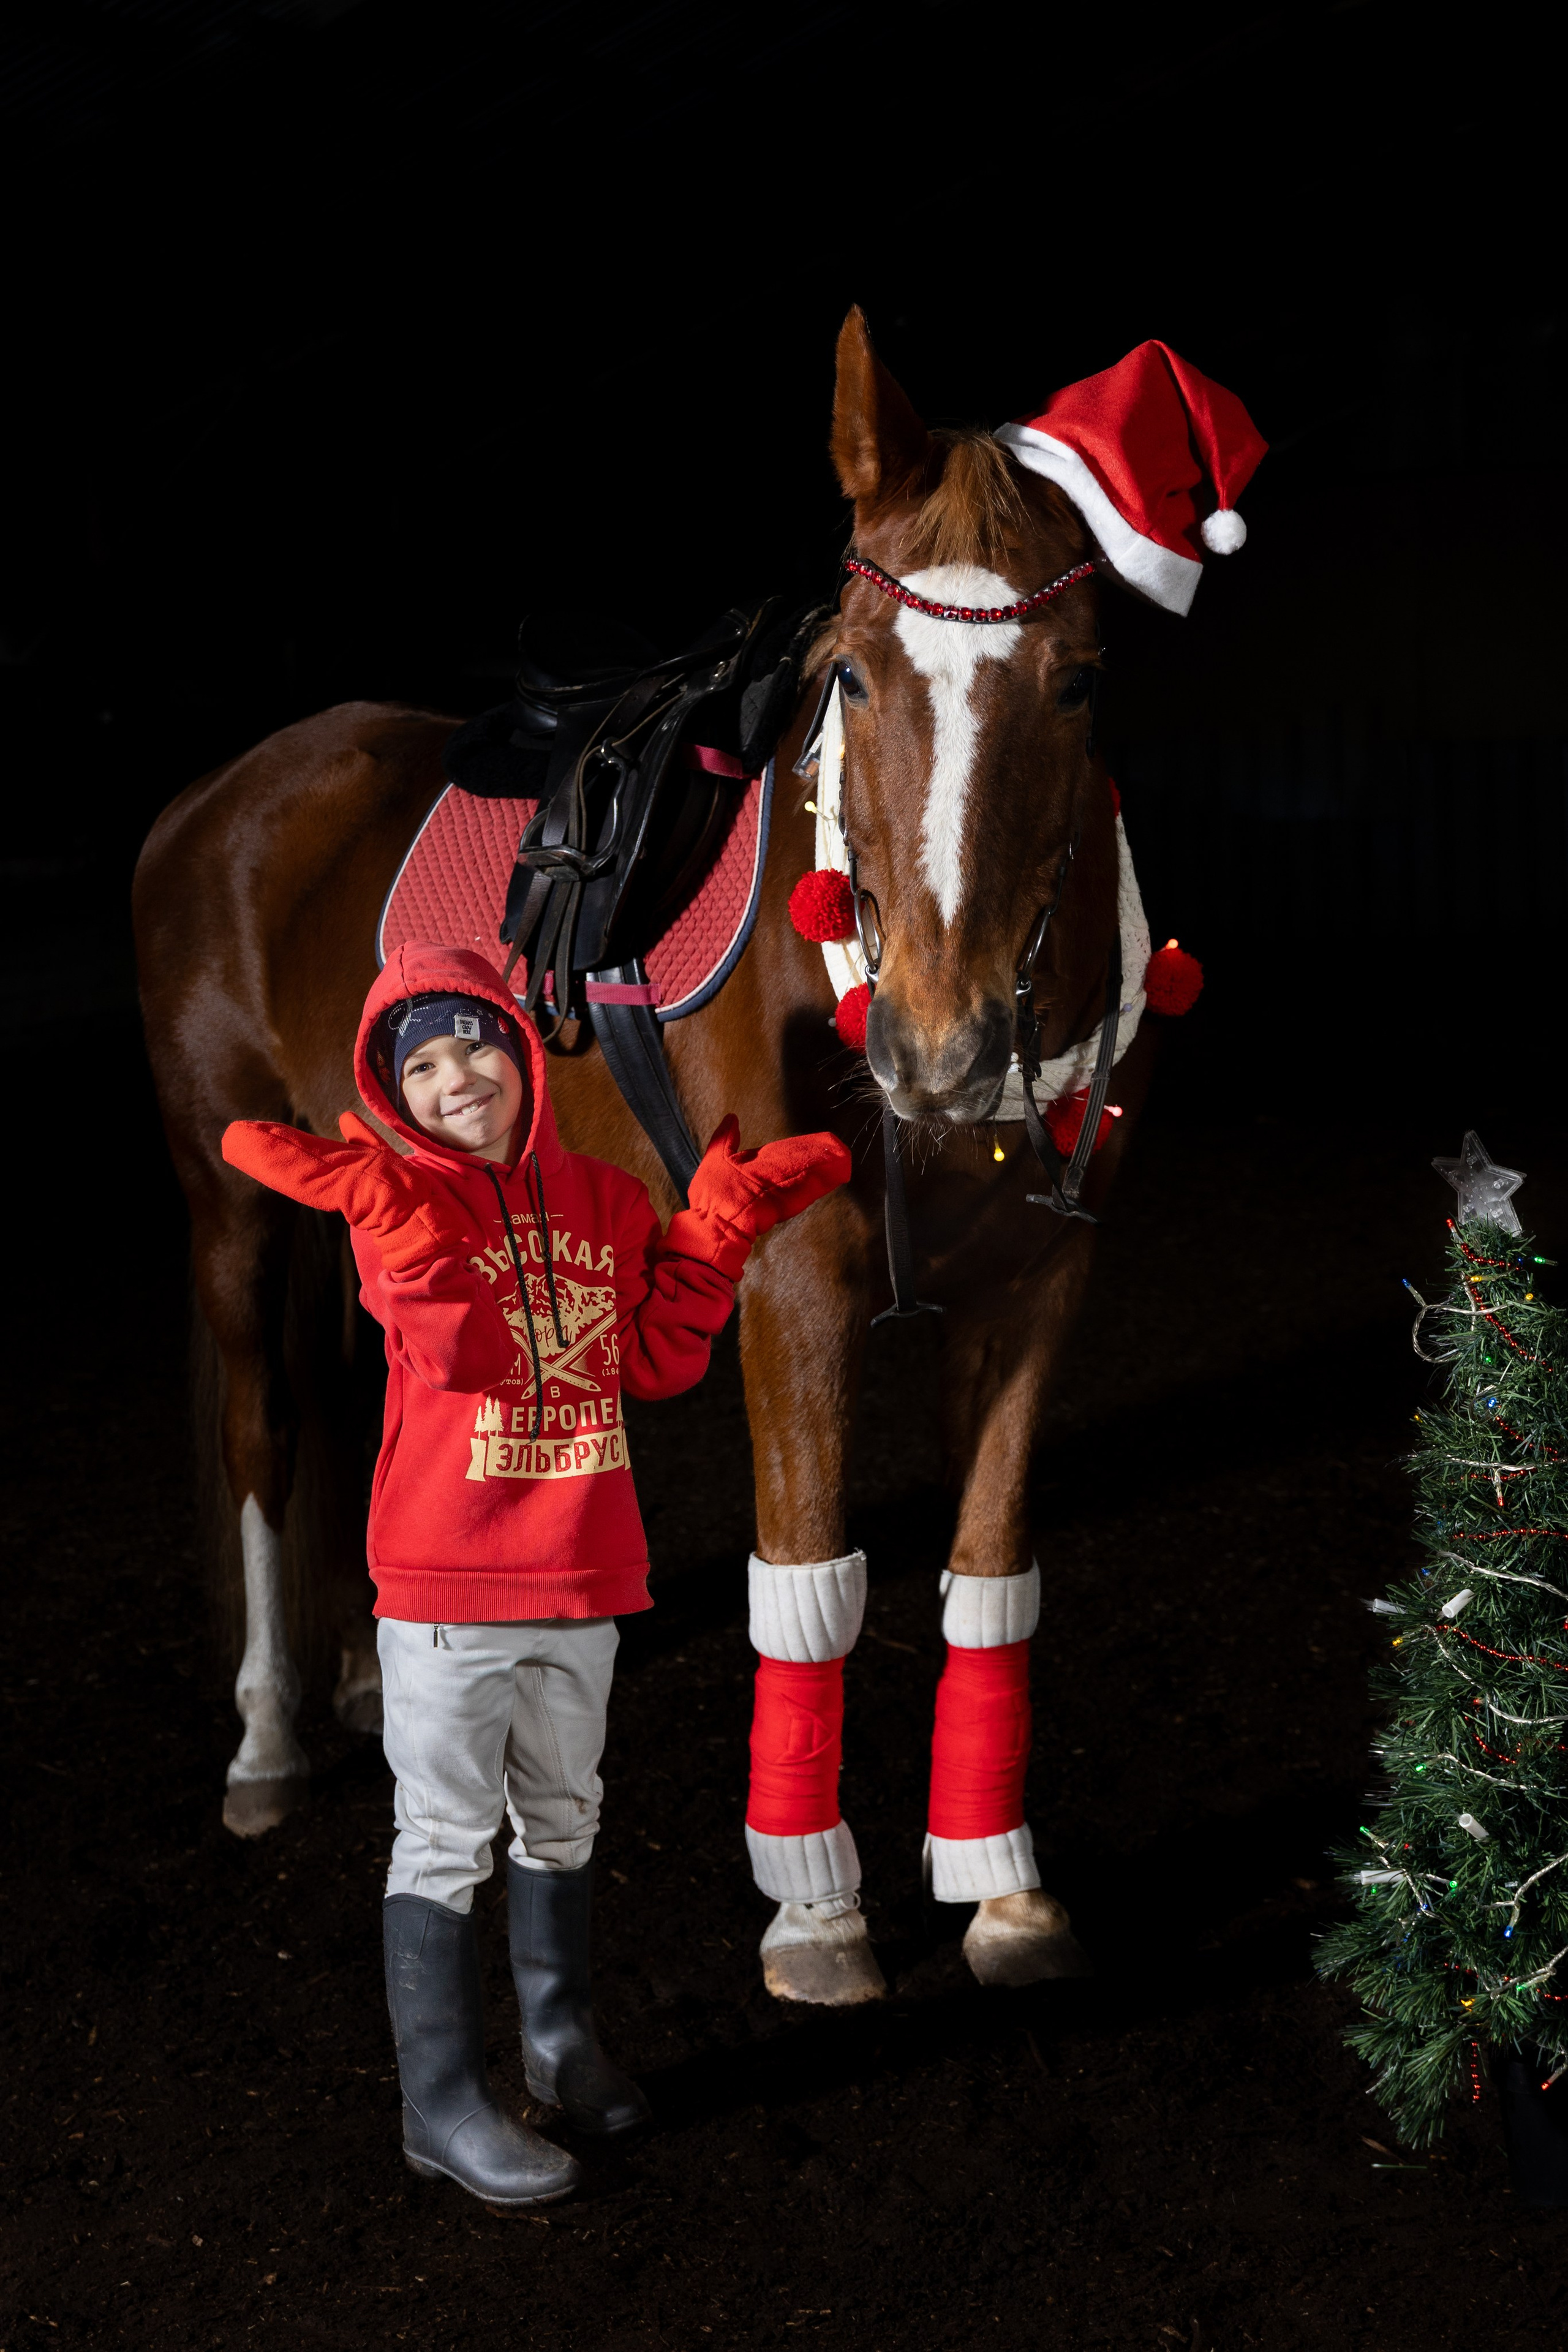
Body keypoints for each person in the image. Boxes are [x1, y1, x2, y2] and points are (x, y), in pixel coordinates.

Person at [222, 940, 850, 2208]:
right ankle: (442, 2102)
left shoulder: (611, 1206)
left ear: (522, 1049)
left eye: (478, 1044)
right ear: (393, 1091)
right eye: (425, 1062)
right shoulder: (401, 1205)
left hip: (583, 1572)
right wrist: (398, 1232)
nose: (459, 1075)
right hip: (449, 1590)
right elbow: (453, 1356)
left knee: (565, 1819)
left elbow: (654, 1365)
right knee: (446, 1836)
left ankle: (561, 2048)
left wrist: (711, 1242)